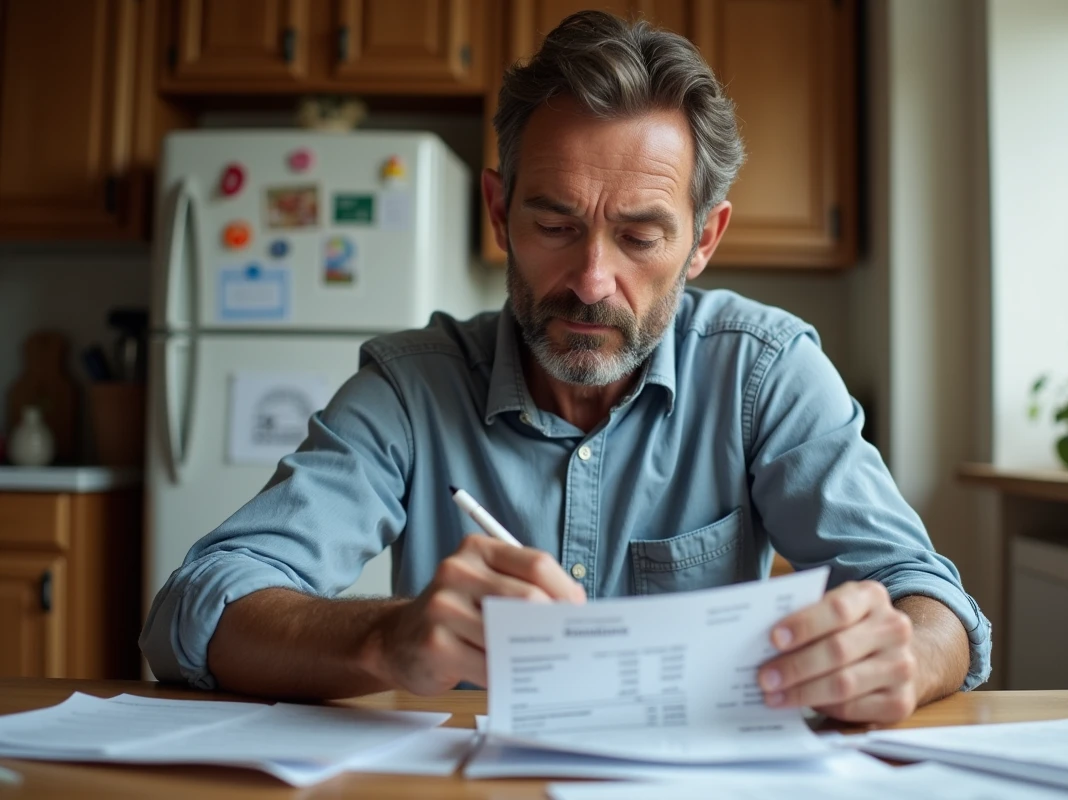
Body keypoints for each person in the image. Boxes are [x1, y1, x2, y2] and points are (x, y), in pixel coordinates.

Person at [141, 10, 990, 724]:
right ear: (500, 212)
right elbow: (197, 603)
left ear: (705, 240)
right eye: (554, 224)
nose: (590, 280)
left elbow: (931, 600)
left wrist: (902, 659)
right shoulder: (411, 387)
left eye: (639, 235)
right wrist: (385, 637)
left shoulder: (763, 373)